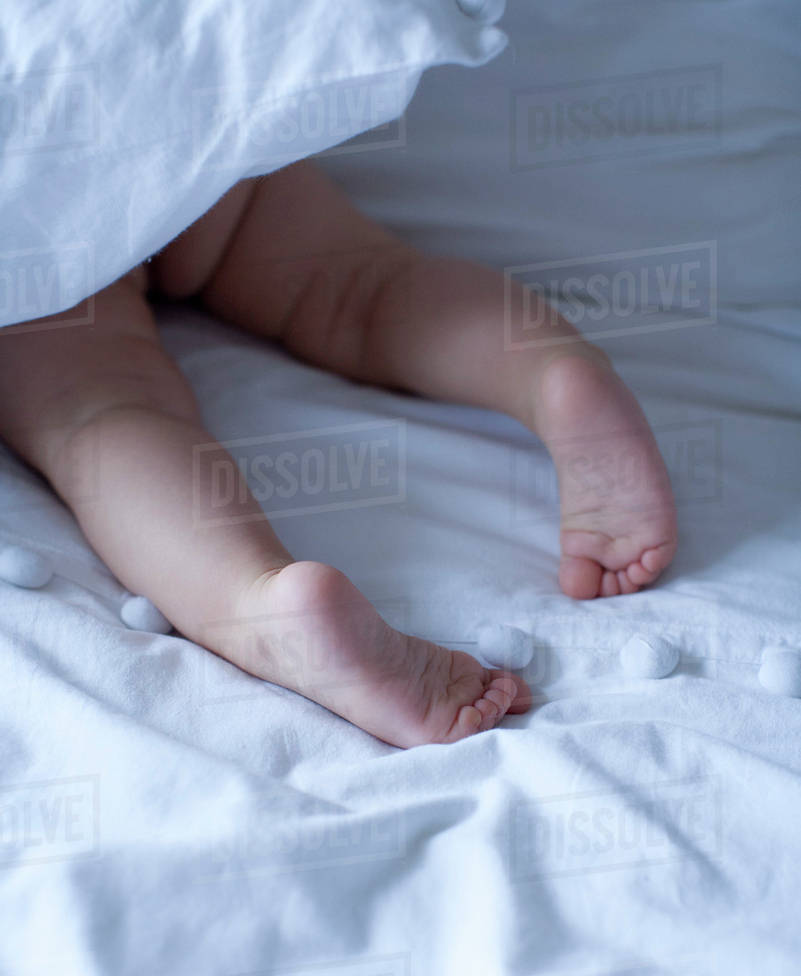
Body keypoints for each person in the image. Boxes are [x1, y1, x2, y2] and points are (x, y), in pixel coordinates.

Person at [0, 162, 677, 747]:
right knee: (362, 288)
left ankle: (260, 601)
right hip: (146, 97)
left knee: (105, 412)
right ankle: (545, 374)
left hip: (24, 185)